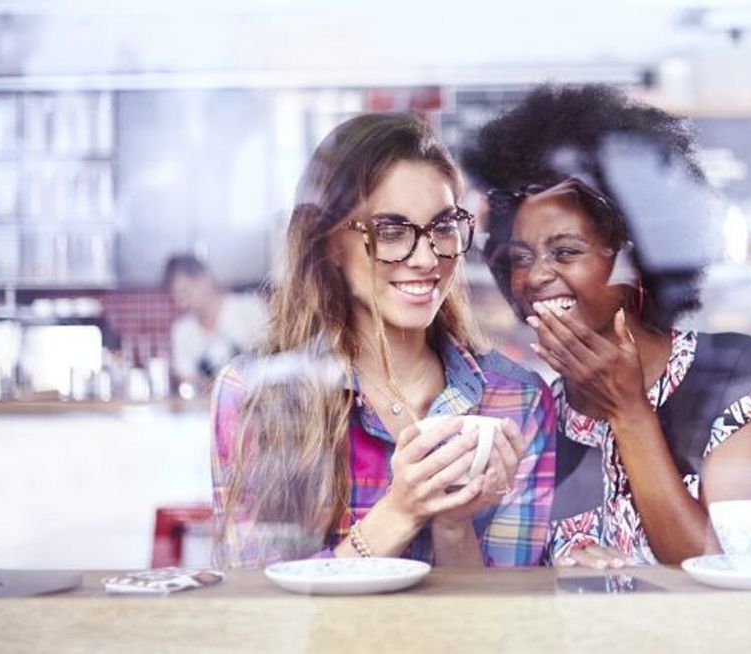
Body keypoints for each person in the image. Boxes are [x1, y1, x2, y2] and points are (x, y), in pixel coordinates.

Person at [463, 85, 751, 567]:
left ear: (634, 259)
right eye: (520, 257)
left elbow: (731, 570)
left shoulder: (731, 373)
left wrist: (628, 410)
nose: (535, 275)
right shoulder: (537, 413)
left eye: (566, 252)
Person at [211, 113, 556, 568]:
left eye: (443, 227)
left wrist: (453, 526)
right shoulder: (255, 394)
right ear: (328, 242)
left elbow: (507, 629)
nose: (425, 257)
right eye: (391, 231)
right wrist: (401, 511)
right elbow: (260, 611)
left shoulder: (517, 400)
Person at [162, 254, 268, 391]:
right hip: (204, 409)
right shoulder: (182, 331)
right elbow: (186, 378)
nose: (182, 303)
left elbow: (271, 359)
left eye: (185, 292)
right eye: (176, 297)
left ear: (204, 279)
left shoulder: (249, 309)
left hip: (253, 405)